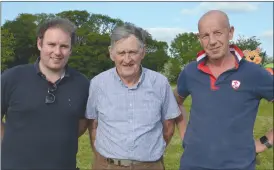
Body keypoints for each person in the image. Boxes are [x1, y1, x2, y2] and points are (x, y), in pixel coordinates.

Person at [174, 10, 273, 170]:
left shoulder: (254, 73)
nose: (212, 41)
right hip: (192, 165)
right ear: (199, 39)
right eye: (205, 35)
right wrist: (186, 134)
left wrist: (265, 142)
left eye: (217, 33)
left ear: (230, 32)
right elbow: (176, 101)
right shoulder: (190, 72)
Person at [85, 23, 181, 170]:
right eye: (121, 53)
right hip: (106, 166)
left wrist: (147, 156)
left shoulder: (160, 83)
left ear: (142, 52)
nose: (127, 59)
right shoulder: (98, 84)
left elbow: (168, 127)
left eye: (132, 52)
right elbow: (93, 126)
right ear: (111, 53)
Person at [1, 18, 89, 170]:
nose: (57, 52)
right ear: (39, 44)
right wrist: (12, 142)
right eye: (52, 44)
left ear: (71, 49)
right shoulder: (12, 77)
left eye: (64, 46)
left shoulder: (82, 83)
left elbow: (81, 125)